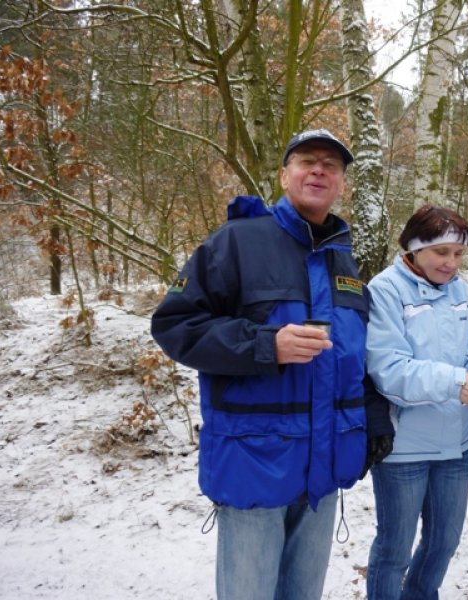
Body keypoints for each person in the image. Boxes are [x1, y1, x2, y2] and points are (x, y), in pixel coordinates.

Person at [150, 128, 393, 600]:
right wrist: (267, 345)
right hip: (254, 462)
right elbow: (175, 325)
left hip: (322, 466)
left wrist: (371, 416)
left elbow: (353, 354)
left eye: (331, 164)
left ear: (342, 184)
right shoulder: (237, 241)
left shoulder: (343, 259)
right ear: (285, 175)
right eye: (306, 160)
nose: (319, 169)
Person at [366, 205, 468, 600]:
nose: (451, 263)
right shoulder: (385, 290)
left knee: (442, 542)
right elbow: (389, 370)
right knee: (394, 549)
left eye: (459, 254)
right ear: (414, 250)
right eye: (441, 252)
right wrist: (457, 382)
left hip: (454, 443)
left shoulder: (460, 292)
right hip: (403, 448)